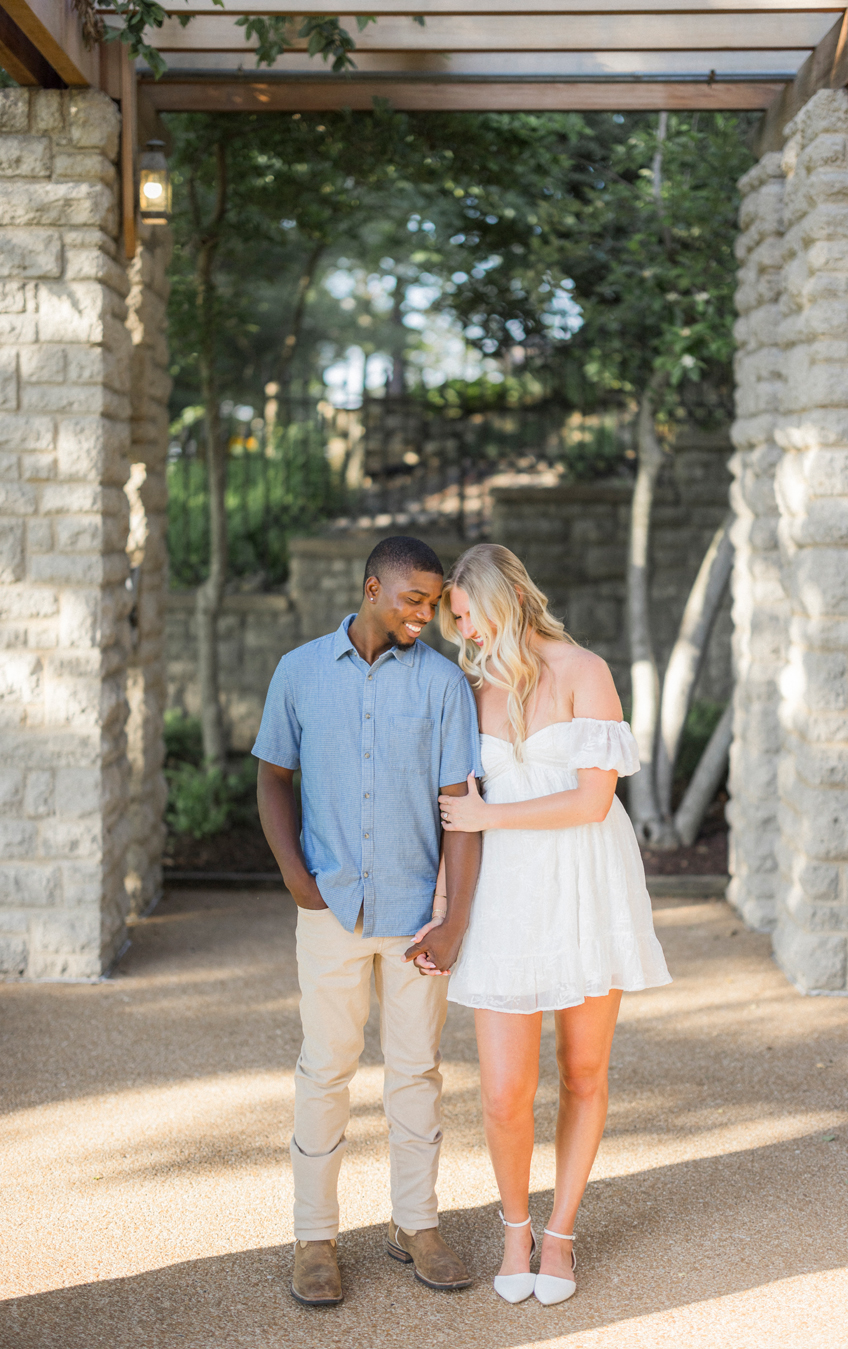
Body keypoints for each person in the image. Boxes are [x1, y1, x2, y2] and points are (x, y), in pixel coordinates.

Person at [405, 543, 671, 1307]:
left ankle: (560, 1231)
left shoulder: (586, 670)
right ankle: (513, 1226)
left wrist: (492, 812)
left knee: (583, 1072)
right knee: (500, 1091)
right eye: (454, 620)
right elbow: (454, 807)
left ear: (506, 597)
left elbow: (593, 801)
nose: (462, 632)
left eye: (466, 615)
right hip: (508, 896)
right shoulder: (470, 684)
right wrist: (444, 907)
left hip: (587, 885)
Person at [254, 536, 483, 1308]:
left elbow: (462, 811)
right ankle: (314, 1236)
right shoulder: (300, 670)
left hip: (418, 915)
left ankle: (416, 1224)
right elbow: (273, 777)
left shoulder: (446, 685)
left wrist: (451, 920)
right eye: (415, 599)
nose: (428, 614)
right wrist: (296, 877)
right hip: (331, 910)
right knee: (326, 1069)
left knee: (416, 1073)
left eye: (434, 601)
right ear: (372, 587)